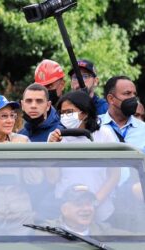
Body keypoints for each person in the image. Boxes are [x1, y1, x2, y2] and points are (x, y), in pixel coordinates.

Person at [48, 90, 120, 222]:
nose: (65, 116)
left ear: (85, 113)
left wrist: (94, 202)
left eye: (69, 112)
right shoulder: (56, 137)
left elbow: (114, 175)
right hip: (67, 210)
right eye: (62, 113)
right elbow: (53, 179)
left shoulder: (104, 134)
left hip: (100, 209)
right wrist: (51, 148)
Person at [46, 185, 116, 235]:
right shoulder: (46, 232)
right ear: (64, 210)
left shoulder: (105, 231)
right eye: (79, 204)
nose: (86, 209)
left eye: (89, 204)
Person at [100, 76, 145, 152]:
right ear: (111, 99)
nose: (133, 98)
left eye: (134, 94)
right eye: (127, 93)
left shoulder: (143, 129)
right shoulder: (93, 125)